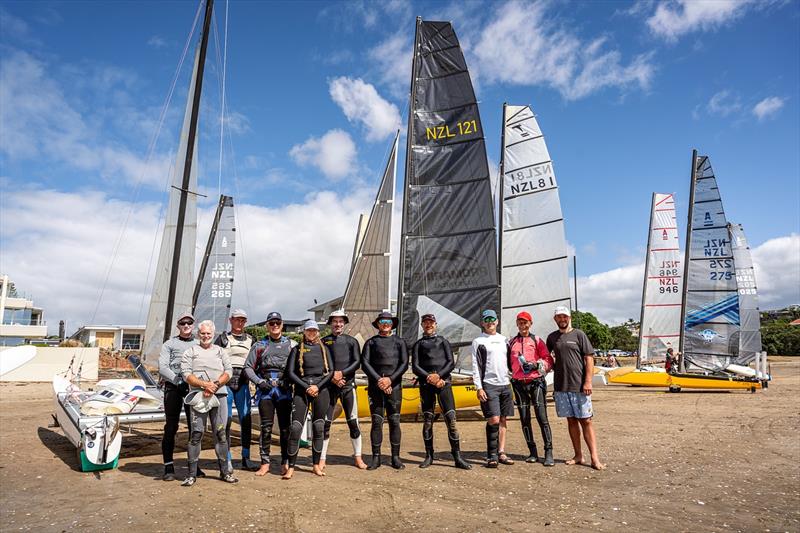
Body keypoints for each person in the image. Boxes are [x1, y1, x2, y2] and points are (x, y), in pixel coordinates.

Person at [179, 320, 238, 486]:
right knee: (196, 434)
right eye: (203, 333)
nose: (206, 336)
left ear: (213, 335)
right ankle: (191, 474)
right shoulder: (190, 351)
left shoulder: (220, 351)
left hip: (219, 396)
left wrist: (215, 385)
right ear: (198, 334)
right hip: (199, 396)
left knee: (221, 434)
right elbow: (186, 374)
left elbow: (229, 371)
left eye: (209, 334)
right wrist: (205, 385)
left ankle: (225, 472)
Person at [547, 306, 606, 470]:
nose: (562, 319)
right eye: (559, 317)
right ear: (555, 319)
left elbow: (589, 359)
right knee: (571, 420)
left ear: (569, 317)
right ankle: (578, 455)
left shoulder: (579, 335)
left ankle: (595, 458)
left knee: (586, 421)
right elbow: (547, 358)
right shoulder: (552, 337)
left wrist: (588, 381)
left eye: (564, 316)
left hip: (579, 385)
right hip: (561, 385)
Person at [411, 313, 471, 470]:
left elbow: (450, 362)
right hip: (426, 385)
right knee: (427, 421)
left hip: (444, 382)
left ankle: (457, 457)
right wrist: (430, 378)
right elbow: (416, 366)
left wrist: (439, 376)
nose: (428, 325)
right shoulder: (418, 344)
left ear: (435, 324)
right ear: (422, 325)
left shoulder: (443, 342)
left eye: (431, 322)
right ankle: (429, 456)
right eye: (425, 323)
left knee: (451, 420)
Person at [244, 311, 296, 476]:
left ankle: (285, 461)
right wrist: (259, 382)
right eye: (271, 323)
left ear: (282, 324)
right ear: (267, 325)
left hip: (284, 391)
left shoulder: (292, 345)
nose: (275, 326)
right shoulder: (259, 345)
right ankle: (265, 462)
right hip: (266, 391)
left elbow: (299, 367)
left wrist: (292, 381)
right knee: (266, 428)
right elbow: (247, 368)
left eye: (277, 323)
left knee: (285, 429)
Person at [284, 320, 334, 479]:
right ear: (304, 332)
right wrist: (306, 387)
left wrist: (317, 387)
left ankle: (316, 465)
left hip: (321, 390)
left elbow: (331, 372)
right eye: (308, 330)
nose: (311, 333)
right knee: (296, 428)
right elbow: (290, 373)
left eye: (314, 330)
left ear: (318, 332)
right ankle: (291, 467)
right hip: (302, 390)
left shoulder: (324, 349)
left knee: (319, 427)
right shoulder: (297, 349)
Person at [361, 311, 409, 470]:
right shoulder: (371, 343)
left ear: (392, 324)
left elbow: (404, 363)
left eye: (388, 321)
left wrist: (390, 380)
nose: (385, 323)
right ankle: (376, 458)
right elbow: (365, 364)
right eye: (382, 321)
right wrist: (379, 380)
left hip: (394, 386)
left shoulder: (399, 342)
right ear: (378, 324)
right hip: (376, 386)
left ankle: (395, 457)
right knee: (376, 422)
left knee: (394, 421)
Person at [321, 310, 367, 470]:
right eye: (335, 321)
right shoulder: (323, 341)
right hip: (329, 387)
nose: (338, 324)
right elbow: (322, 364)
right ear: (330, 323)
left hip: (348, 387)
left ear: (344, 323)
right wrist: (333, 376)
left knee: (353, 422)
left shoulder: (352, 341)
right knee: (326, 423)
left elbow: (357, 362)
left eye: (341, 321)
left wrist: (342, 374)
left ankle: (358, 457)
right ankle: (322, 458)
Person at [507, 311, 555, 466]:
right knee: (524, 418)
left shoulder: (537, 340)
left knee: (542, 418)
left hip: (536, 383)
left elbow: (549, 360)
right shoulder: (512, 342)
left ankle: (548, 452)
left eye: (525, 322)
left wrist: (535, 365)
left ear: (530, 323)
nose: (523, 325)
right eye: (520, 322)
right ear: (517, 324)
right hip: (519, 384)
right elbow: (508, 362)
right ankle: (532, 452)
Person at [158, 311, 200, 481]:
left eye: (189, 323)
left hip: (192, 387)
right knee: (171, 427)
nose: (186, 326)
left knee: (195, 427)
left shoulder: (199, 343)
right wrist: (177, 380)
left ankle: (194, 466)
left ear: (193, 325)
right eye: (183, 323)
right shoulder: (170, 343)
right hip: (174, 387)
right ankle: (168, 466)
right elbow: (162, 366)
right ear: (178, 326)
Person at [214, 309, 257, 472]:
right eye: (237, 320)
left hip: (243, 383)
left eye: (243, 320)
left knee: (246, 420)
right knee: (226, 421)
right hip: (227, 382)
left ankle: (246, 458)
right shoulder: (223, 338)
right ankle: (228, 459)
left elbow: (256, 360)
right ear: (231, 320)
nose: (240, 323)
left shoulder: (251, 340)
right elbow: (214, 358)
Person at [471, 309, 513, 468]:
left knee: (503, 419)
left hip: (505, 384)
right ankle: (491, 454)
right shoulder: (478, 341)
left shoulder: (504, 340)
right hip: (489, 385)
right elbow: (475, 365)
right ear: (482, 323)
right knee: (494, 419)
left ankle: (501, 452)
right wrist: (479, 387)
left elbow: (510, 361)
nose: (490, 322)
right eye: (486, 319)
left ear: (497, 321)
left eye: (492, 319)